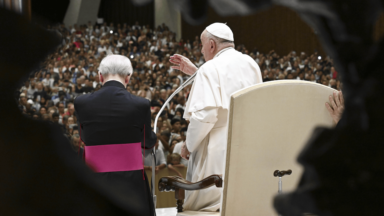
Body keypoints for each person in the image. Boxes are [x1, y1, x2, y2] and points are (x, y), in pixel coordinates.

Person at [169, 23, 263, 211]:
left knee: (210, 208)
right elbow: (228, 90)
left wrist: (190, 143)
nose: (202, 50)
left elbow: (206, 115)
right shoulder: (250, 64)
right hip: (247, 145)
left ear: (211, 45)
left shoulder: (210, 67)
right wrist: (197, 72)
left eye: (202, 45)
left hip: (216, 149)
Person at [74, 54, 157, 216]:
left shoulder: (81, 102)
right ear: (128, 77)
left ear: (100, 76)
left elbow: (84, 138)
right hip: (131, 181)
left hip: (95, 181)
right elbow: (148, 142)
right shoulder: (141, 104)